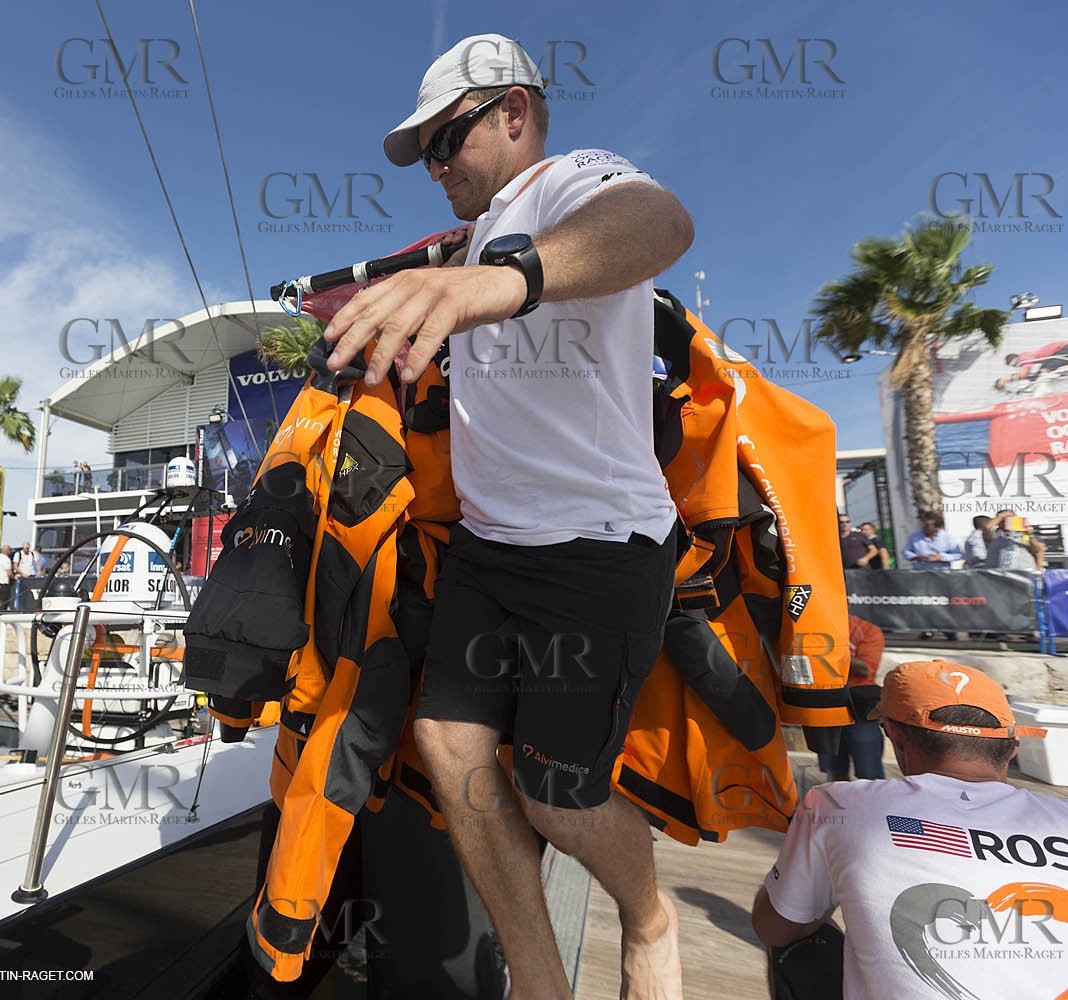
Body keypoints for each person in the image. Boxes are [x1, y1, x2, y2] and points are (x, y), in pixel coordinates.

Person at [321, 35, 694, 998]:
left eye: (447, 140)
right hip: (489, 550)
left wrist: (499, 278)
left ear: (514, 113)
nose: (436, 167)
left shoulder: (573, 182)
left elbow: (659, 220)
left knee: (557, 799)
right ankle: (538, 978)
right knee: (447, 745)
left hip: (599, 541)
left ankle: (648, 918)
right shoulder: (479, 234)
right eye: (429, 154)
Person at [753, 659, 1068, 999]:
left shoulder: (836, 803)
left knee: (802, 933)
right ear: (1012, 747)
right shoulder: (1060, 815)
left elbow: (776, 927)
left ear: (894, 735)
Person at [817, 615, 886, 781]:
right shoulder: (815, 628)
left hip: (858, 707)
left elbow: (865, 669)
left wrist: (823, 652)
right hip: (826, 704)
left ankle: (872, 806)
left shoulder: (867, 629)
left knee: (869, 773)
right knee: (834, 771)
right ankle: (840, 805)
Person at [0, 544, 16, 615]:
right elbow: (8, 572)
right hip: (2, 581)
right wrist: (14, 577)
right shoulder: (6, 559)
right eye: (10, 550)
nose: (10, 552)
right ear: (7, 551)